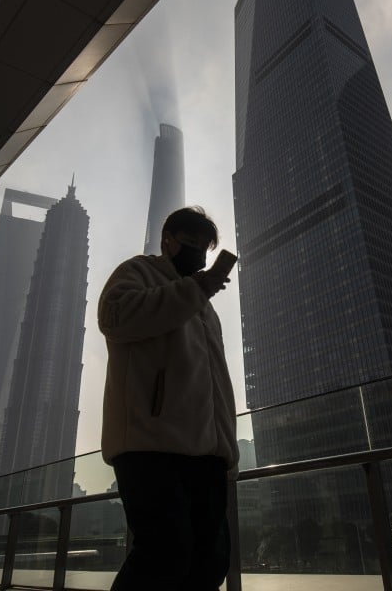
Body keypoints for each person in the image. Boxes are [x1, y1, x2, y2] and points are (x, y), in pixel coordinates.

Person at [98, 207, 239, 591]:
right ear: (168, 240)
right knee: (163, 555)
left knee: (210, 562)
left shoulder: (205, 306)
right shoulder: (138, 271)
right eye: (190, 241)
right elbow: (113, 317)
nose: (198, 252)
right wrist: (197, 288)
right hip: (150, 445)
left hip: (208, 454)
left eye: (204, 246)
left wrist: (227, 450)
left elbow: (215, 383)